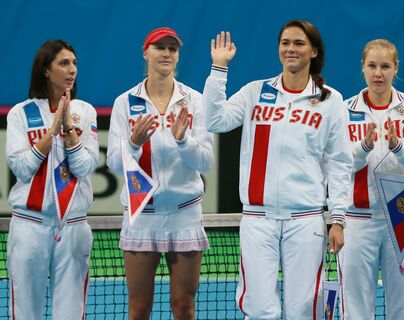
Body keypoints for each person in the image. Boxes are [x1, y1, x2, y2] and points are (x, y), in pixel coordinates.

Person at [203, 20, 353, 319]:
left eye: (298, 43)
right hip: (258, 219)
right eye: (285, 43)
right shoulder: (254, 92)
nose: (290, 49)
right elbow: (214, 121)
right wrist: (219, 69)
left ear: (314, 51)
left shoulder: (330, 101)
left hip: (306, 219)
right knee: (259, 309)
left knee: (302, 308)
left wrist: (338, 218)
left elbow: (339, 162)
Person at [106, 27, 213, 320]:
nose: (166, 53)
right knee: (139, 308)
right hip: (142, 214)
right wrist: (133, 144)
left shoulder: (195, 100)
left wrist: (183, 141)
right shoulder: (124, 103)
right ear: (146, 53)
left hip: (185, 213)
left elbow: (205, 163)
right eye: (159, 47)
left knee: (184, 306)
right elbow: (115, 164)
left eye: (172, 49)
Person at [339, 39, 404, 319]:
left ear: (395, 68)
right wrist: (364, 147)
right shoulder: (344, 110)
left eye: (385, 66)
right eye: (372, 66)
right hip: (357, 220)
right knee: (355, 308)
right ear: (363, 68)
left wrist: (398, 146)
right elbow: (338, 164)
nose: (378, 73)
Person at [6, 40, 99, 319]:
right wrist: (51, 132)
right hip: (30, 224)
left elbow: (85, 166)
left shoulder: (85, 111)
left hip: (73, 225)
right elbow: (21, 169)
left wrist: (69, 130)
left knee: (71, 312)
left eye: (74, 63)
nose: (72, 70)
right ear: (45, 70)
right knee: (25, 311)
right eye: (63, 63)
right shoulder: (21, 114)